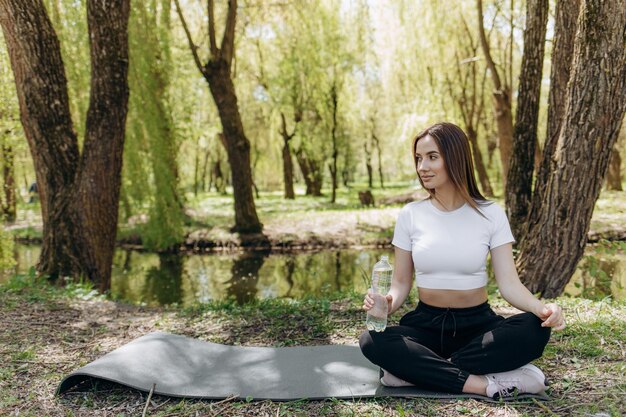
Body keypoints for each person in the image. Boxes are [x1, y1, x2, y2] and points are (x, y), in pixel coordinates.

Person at [359, 122, 565, 399]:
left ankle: (415, 372)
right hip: (425, 325)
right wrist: (386, 303)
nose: (422, 167)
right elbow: (400, 283)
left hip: (477, 327)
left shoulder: (491, 214)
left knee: (532, 330)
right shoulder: (411, 215)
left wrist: (544, 310)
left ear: (455, 158)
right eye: (419, 158)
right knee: (372, 340)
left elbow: (509, 284)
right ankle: (485, 385)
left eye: (432, 157)